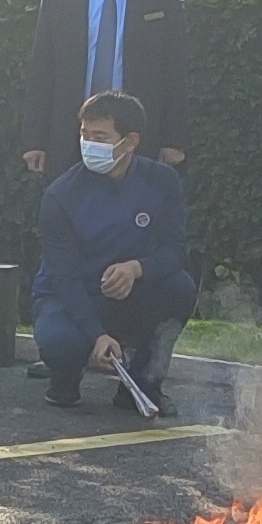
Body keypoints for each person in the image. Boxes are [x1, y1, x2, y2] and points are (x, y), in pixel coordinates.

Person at [33, 91, 193, 415]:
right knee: (60, 342)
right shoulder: (60, 195)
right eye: (84, 135)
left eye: (100, 137)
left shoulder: (163, 181)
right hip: (72, 295)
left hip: (131, 292)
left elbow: (176, 249)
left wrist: (138, 269)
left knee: (180, 288)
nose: (89, 144)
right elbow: (62, 276)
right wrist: (98, 335)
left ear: (130, 141)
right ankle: (64, 378)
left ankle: (144, 384)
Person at [20, 0, 191, 187]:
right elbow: (42, 72)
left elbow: (175, 71)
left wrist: (174, 140)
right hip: (70, 136)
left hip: (138, 137)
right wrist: (34, 140)